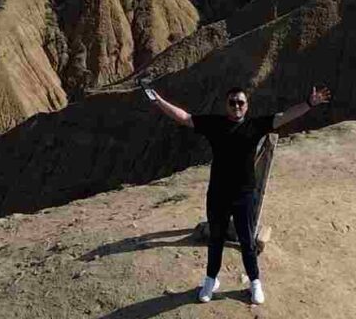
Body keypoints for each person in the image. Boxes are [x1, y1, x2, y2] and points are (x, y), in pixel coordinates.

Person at [140, 77, 331, 305]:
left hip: (244, 195)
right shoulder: (215, 125)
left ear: (247, 106)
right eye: (233, 103)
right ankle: (211, 280)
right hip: (218, 194)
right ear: (226, 105)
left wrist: (309, 104)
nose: (237, 106)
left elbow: (284, 116)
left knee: (247, 241)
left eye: (241, 103)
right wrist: (158, 100)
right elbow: (185, 118)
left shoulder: (255, 126)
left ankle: (255, 282)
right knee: (216, 239)